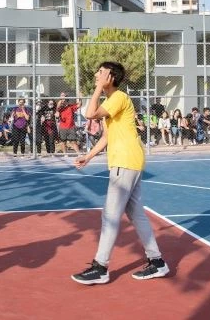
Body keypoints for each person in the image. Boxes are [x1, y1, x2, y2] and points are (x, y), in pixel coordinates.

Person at [71, 61, 168, 285]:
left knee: (110, 215)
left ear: (111, 77)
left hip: (125, 161)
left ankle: (101, 267)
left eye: (101, 72)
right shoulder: (112, 100)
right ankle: (157, 262)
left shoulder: (118, 97)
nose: (96, 74)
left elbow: (90, 113)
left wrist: (97, 89)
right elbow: (106, 136)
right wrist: (89, 156)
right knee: (135, 214)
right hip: (129, 159)